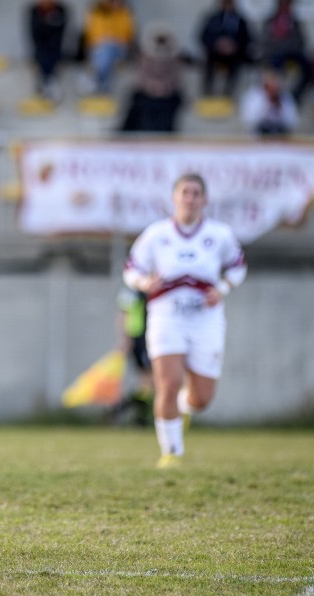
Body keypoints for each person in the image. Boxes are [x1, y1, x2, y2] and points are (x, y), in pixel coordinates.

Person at [122, 173, 247, 468]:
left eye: (196, 193)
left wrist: (223, 289)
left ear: (204, 199)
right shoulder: (156, 234)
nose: (190, 199)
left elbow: (237, 267)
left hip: (206, 319)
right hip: (167, 317)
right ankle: (172, 453)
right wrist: (143, 282)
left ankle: (183, 409)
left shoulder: (220, 235)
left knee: (202, 398)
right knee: (168, 382)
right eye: (185, 192)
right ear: (174, 197)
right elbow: (131, 269)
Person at [119, 22, 184, 133]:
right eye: (159, 40)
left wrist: (164, 87)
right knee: (137, 102)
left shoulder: (175, 59)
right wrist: (153, 86)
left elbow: (176, 77)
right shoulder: (144, 56)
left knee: (173, 103)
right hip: (147, 93)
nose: (161, 43)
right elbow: (141, 76)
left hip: (167, 95)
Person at [108, 286, 154, 427]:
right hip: (139, 339)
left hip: (151, 338)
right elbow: (123, 314)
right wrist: (124, 339)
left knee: (148, 383)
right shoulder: (132, 291)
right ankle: (126, 410)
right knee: (148, 380)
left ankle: (131, 412)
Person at [258, 0, 309, 103]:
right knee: (275, 66)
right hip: (274, 54)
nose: (285, 7)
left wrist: (290, 48)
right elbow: (265, 41)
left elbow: (301, 41)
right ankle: (275, 97)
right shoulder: (270, 22)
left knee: (308, 66)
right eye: (283, 4)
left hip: (292, 53)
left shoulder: (294, 22)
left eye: (288, 4)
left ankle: (295, 97)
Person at [198, 0, 252, 97]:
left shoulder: (240, 20)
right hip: (215, 53)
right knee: (208, 62)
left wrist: (234, 46)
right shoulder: (213, 19)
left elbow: (247, 39)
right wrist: (217, 44)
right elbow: (203, 37)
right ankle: (207, 93)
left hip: (234, 54)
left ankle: (228, 94)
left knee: (237, 64)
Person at [81, 0, 135, 94]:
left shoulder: (125, 14)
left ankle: (97, 81)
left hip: (119, 49)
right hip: (99, 49)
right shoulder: (96, 13)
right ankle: (104, 86)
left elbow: (128, 35)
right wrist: (106, 40)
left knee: (107, 50)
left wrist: (112, 39)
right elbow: (92, 35)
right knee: (105, 52)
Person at [28, 0, 69, 103]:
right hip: (41, 49)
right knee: (42, 54)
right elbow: (35, 35)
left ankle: (47, 81)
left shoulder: (60, 10)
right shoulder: (34, 11)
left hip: (56, 49)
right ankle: (48, 81)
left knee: (52, 54)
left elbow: (60, 36)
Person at [240, 68, 298, 136]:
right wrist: (266, 102)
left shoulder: (285, 96)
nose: (273, 89)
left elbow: (292, 121)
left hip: (280, 134)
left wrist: (281, 107)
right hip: (260, 134)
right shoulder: (254, 95)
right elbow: (249, 119)